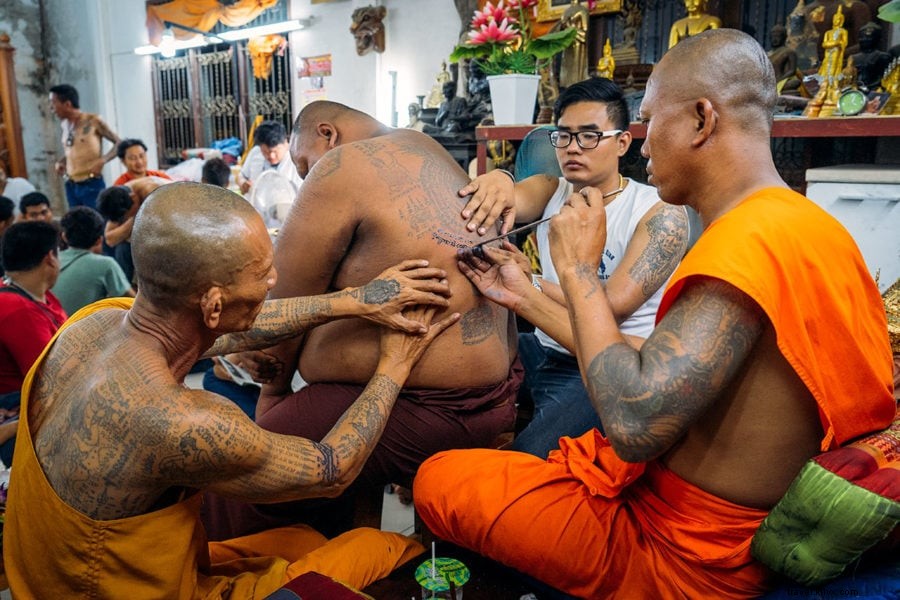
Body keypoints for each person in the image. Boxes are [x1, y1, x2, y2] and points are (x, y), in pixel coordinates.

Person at [413, 29, 895, 598]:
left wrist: (578, 272)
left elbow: (636, 425)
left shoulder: (745, 243)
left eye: (648, 122)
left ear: (700, 119)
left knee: (437, 479)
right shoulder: (805, 223)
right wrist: (522, 294)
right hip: (740, 507)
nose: (642, 146)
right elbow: (682, 367)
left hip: (692, 553)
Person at [3, 181, 458, 596]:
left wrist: (354, 300)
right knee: (379, 548)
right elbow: (332, 470)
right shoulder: (180, 422)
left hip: (55, 576)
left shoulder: (93, 323)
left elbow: (227, 332)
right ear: (214, 303)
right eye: (263, 273)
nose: (274, 280)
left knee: (302, 540)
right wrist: (393, 366)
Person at [202, 100, 521, 540]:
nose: (304, 176)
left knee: (241, 473)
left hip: (428, 402)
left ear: (327, 134)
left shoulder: (341, 167)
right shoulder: (425, 144)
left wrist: (273, 392)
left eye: (303, 163)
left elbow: (283, 305)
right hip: (498, 388)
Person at [457, 77, 689, 458]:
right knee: (452, 365)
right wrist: (499, 180)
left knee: (529, 460)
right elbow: (511, 198)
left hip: (605, 361)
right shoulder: (552, 188)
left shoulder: (658, 214)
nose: (572, 149)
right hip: (544, 345)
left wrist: (530, 282)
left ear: (623, 143)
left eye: (589, 136)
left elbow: (608, 308)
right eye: (563, 136)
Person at [0, 221, 67, 467]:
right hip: (21, 415)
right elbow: (52, 379)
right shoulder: (18, 311)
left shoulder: (37, 295)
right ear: (50, 258)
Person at [49, 84, 120, 211]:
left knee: (97, 221)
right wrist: (62, 161)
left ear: (67, 104)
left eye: (53, 103)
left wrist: (103, 160)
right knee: (77, 222)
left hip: (91, 183)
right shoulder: (64, 125)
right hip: (71, 184)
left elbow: (119, 143)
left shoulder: (93, 121)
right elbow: (73, 150)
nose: (52, 108)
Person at [51, 206, 134, 315]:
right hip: (84, 328)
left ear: (64, 237)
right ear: (99, 240)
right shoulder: (106, 264)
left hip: (55, 329)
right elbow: (132, 304)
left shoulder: (52, 260)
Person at [97, 176, 170, 284]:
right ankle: (124, 288)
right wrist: (132, 221)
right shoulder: (120, 194)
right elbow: (109, 239)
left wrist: (130, 224)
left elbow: (161, 231)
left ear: (134, 198)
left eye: (124, 217)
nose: (123, 220)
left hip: (172, 227)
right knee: (121, 246)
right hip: (149, 228)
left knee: (129, 245)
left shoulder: (153, 193)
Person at [238, 120, 302, 194]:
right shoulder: (255, 152)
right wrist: (243, 184)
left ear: (285, 143)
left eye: (275, 151)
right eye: (265, 152)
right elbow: (242, 175)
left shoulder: (296, 160)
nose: (271, 156)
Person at [556, 0, 589, 89]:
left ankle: (577, 84)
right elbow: (561, 28)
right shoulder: (566, 11)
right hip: (567, 41)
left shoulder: (582, 10)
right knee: (566, 63)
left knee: (577, 66)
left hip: (578, 41)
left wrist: (571, 29)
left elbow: (585, 29)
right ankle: (566, 84)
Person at [851, 21, 892, 90]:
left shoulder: (882, 56)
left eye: (868, 38)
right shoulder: (853, 58)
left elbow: (884, 77)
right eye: (861, 37)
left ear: (878, 39)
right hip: (855, 90)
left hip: (874, 89)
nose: (864, 40)